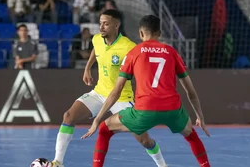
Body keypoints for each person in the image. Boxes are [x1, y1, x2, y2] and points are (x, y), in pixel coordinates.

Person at [82, 15, 211, 167]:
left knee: (104, 130)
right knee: (191, 136)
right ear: (160, 33)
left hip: (144, 110)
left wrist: (97, 119)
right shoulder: (171, 52)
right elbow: (191, 92)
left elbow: (116, 91)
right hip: (172, 110)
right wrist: (199, 116)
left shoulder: (134, 53)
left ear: (141, 33)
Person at [51, 10, 167, 167]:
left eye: (106, 23)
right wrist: (88, 67)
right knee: (68, 116)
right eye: (100, 23)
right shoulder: (97, 39)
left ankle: (162, 165)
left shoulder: (128, 47)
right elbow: (96, 49)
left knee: (143, 139)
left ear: (116, 25)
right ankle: (57, 162)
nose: (101, 27)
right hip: (99, 93)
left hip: (122, 98)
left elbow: (143, 69)